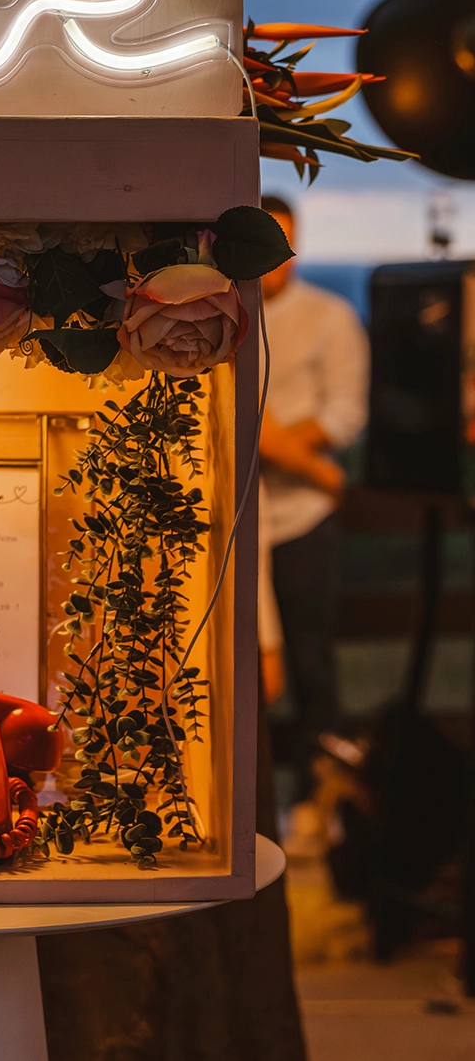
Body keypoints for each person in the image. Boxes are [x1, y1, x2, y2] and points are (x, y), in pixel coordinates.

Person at [259, 194, 369, 792]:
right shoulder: (223, 314)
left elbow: (346, 414)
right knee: (245, 668)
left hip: (304, 519)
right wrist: (315, 466)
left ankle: (315, 801)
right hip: (240, 521)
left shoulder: (330, 317)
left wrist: (270, 442)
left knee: (312, 664)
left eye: (285, 245)